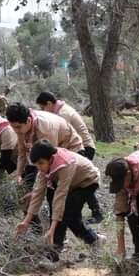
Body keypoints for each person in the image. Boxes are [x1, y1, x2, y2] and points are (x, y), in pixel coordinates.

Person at [14, 140, 103, 260]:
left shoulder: (65, 164)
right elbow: (38, 193)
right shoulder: (44, 167)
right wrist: (26, 221)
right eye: (36, 165)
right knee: (71, 218)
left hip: (87, 182)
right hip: (69, 183)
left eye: (41, 163)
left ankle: (54, 252)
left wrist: (52, 229)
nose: (39, 167)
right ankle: (94, 240)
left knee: (65, 213)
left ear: (51, 158)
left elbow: (60, 197)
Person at [5, 103, 89, 222]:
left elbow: (51, 163)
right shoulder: (21, 129)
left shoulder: (46, 129)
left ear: (28, 121)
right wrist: (18, 175)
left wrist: (36, 192)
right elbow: (22, 153)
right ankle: (36, 227)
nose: (15, 130)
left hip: (70, 152)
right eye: (12, 127)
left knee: (55, 193)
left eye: (18, 127)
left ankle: (61, 228)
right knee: (26, 188)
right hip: (45, 154)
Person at [35, 91, 103, 223]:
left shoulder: (63, 114)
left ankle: (93, 213)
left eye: (43, 107)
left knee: (83, 181)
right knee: (81, 181)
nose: (43, 111)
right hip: (76, 147)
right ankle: (89, 212)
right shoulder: (60, 110)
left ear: (49, 103)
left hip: (83, 147)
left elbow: (63, 135)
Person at [106, 148, 139, 260]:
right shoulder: (121, 182)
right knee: (132, 218)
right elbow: (120, 214)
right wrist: (121, 247)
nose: (120, 187)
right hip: (136, 192)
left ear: (128, 174)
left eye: (121, 183)